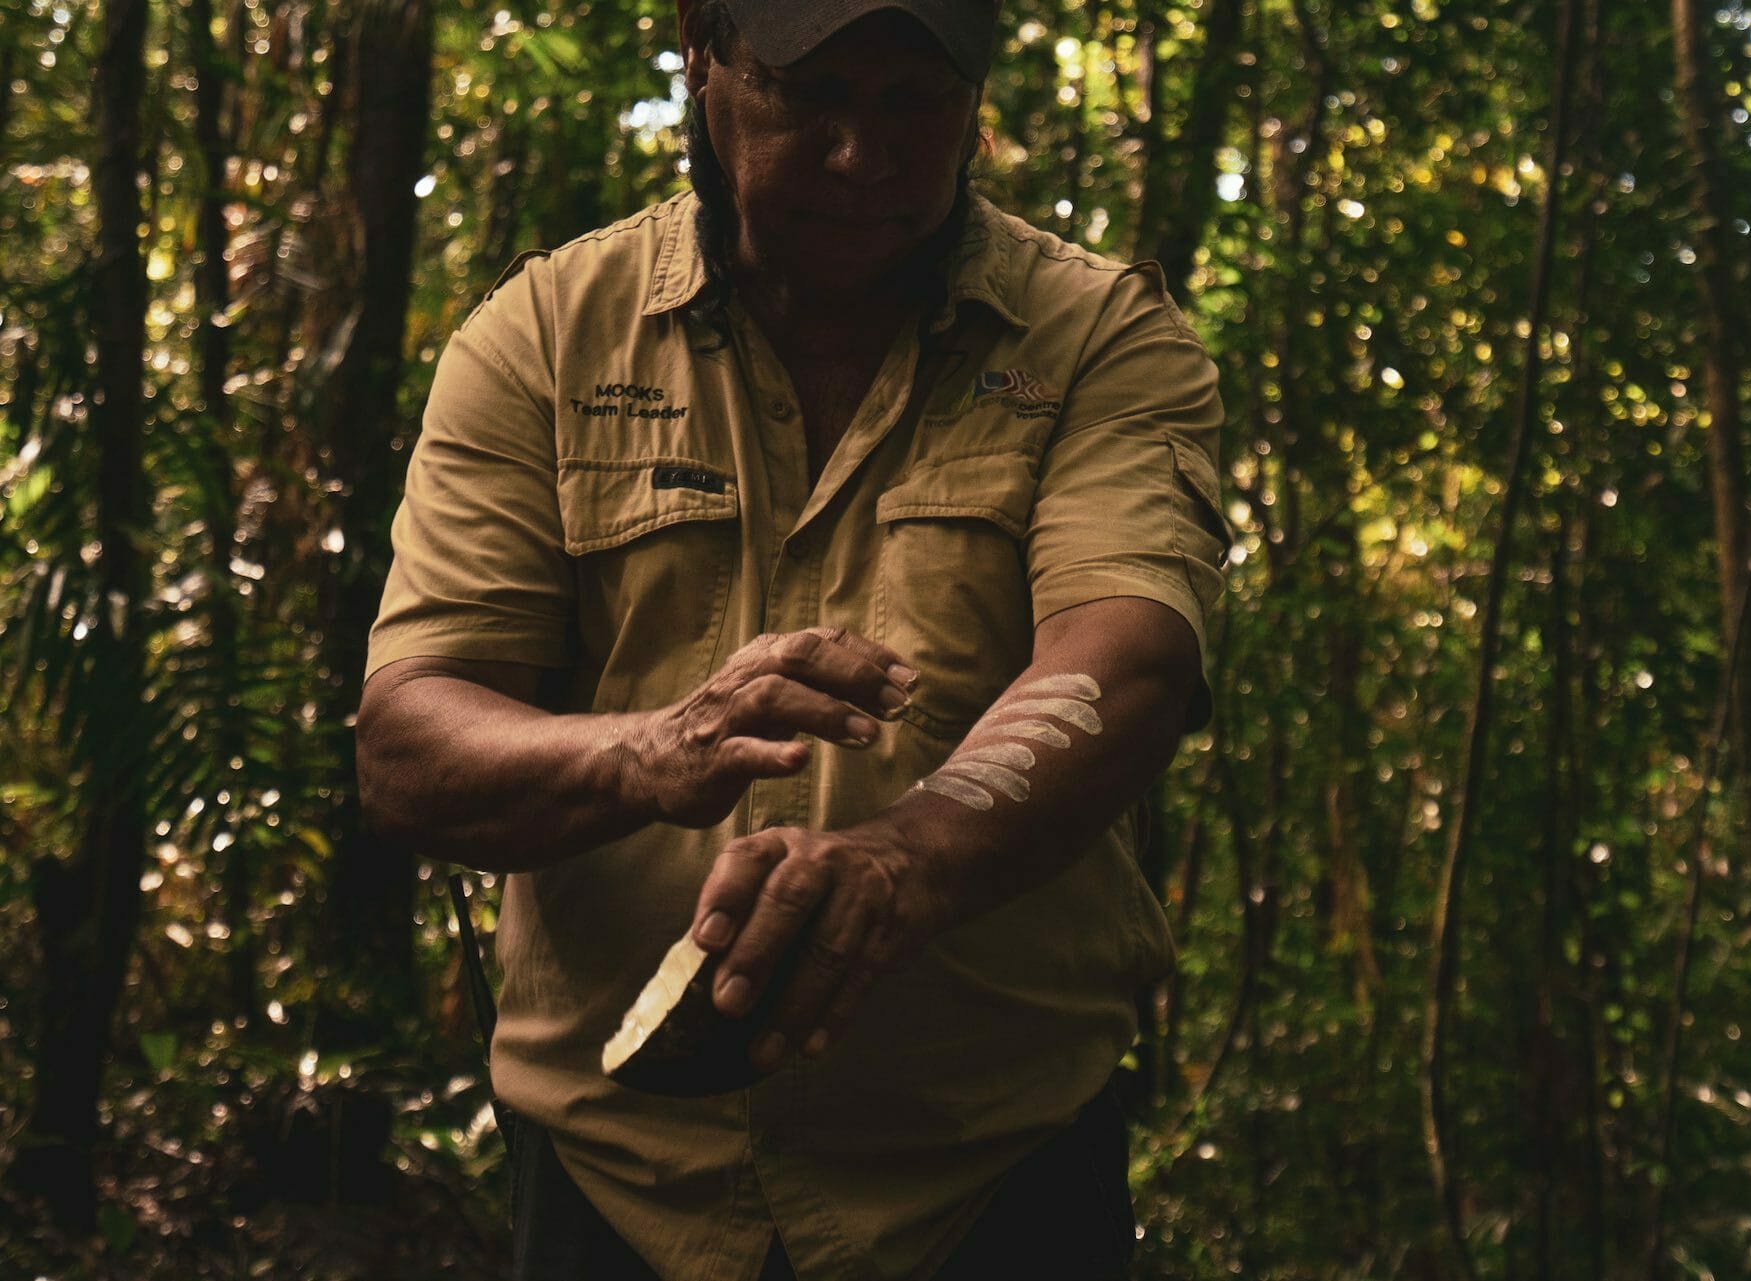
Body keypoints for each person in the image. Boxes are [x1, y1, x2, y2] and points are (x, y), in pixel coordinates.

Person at [355, 0, 1229, 1276]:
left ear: (978, 102)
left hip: (987, 1172)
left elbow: (1130, 658)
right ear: (700, 57)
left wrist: (902, 863)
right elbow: (410, 743)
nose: (861, 157)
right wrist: (646, 754)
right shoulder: (546, 337)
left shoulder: (1096, 338)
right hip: (620, 1174)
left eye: (913, 102)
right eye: (809, 96)